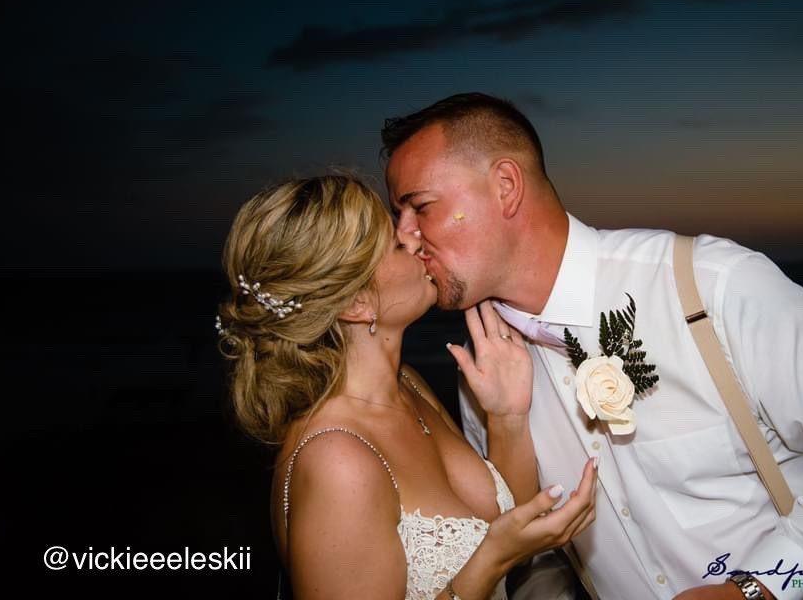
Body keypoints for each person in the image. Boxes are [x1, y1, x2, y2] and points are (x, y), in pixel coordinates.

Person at [381, 93, 803, 599]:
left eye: (419, 206)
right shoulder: (480, 372)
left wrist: (761, 589)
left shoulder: (707, 284)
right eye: (397, 214)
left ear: (505, 186)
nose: (405, 234)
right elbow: (537, 559)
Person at [214, 176, 598, 599]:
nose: (415, 238)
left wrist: (507, 416)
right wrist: (488, 562)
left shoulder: (408, 386)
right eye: (396, 244)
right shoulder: (336, 461)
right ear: (356, 305)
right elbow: (490, 552)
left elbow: (501, 521)